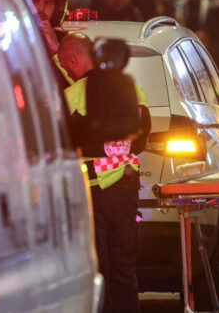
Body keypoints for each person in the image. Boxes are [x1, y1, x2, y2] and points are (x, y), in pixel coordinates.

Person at [59, 33, 150, 313]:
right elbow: (143, 134)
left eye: (65, 66)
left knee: (99, 270)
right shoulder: (131, 89)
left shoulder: (73, 96)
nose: (68, 72)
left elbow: (63, 145)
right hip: (126, 189)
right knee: (124, 267)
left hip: (94, 194)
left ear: (73, 60)